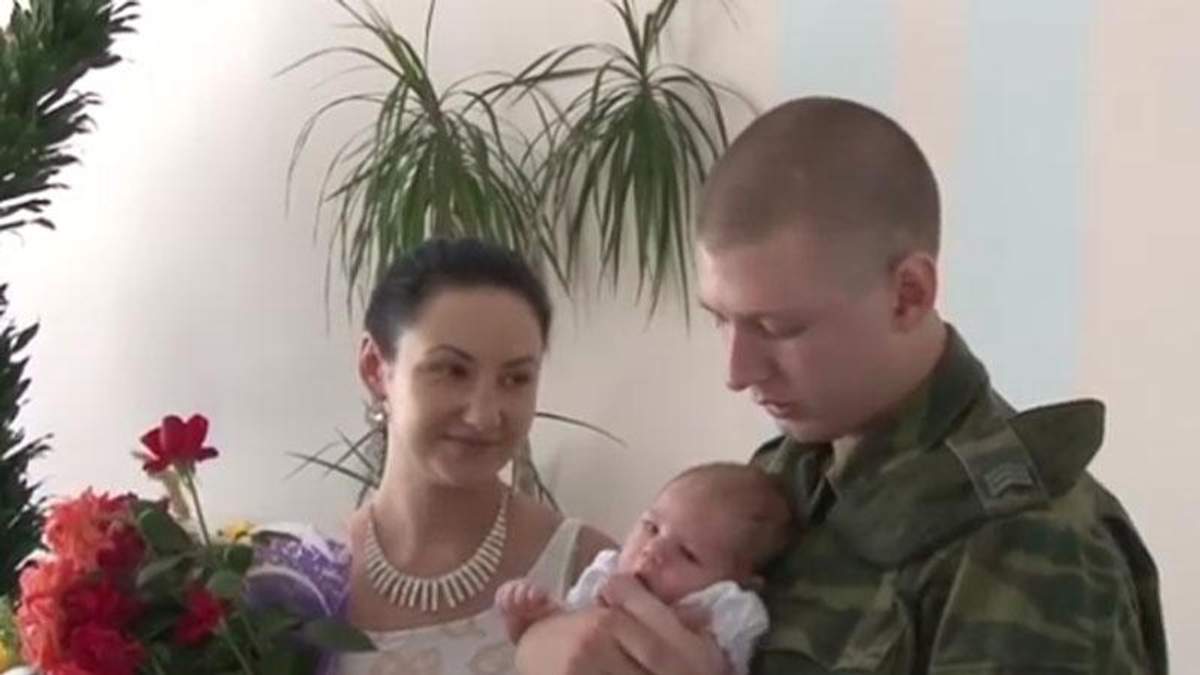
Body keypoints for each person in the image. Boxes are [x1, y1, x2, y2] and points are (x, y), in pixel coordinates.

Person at [514, 96, 1168, 674]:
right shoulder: (788, 476)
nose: (737, 371)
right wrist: (548, 644)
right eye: (721, 319)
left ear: (908, 294)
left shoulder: (1029, 543)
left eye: (780, 327)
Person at [245, 237, 612, 675]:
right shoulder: (303, 586)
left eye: (515, 379)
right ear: (375, 369)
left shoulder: (591, 572)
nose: (483, 415)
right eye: (452, 371)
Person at [498, 463, 791, 675]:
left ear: (741, 581)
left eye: (687, 554)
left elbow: (705, 668)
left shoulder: (724, 605)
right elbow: (570, 636)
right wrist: (535, 620)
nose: (653, 550)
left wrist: (635, 601)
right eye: (651, 527)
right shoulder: (608, 570)